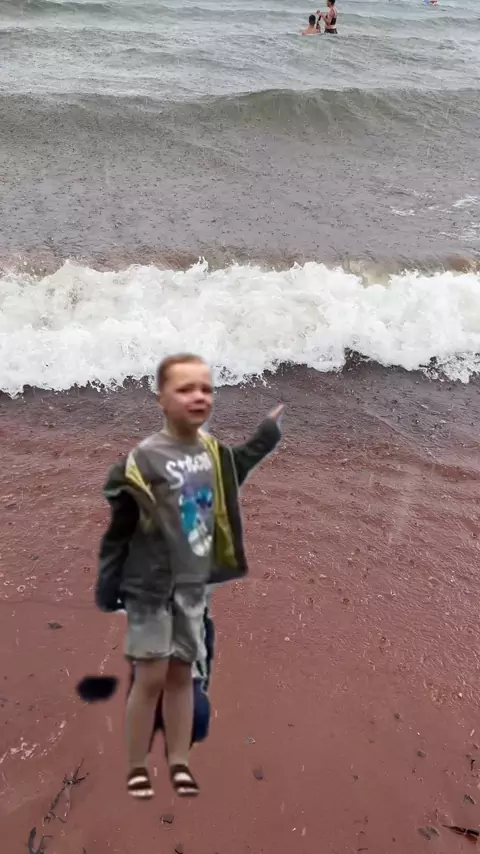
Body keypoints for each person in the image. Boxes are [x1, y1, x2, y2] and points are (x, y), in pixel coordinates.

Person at [95, 353, 283, 800]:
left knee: (187, 689)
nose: (198, 398)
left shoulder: (214, 459)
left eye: (205, 390)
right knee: (150, 681)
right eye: (184, 390)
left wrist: (267, 433)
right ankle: (138, 763)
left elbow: (242, 462)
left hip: (193, 593)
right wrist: (109, 584)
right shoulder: (143, 463)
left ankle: (178, 758)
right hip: (149, 591)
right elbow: (120, 530)